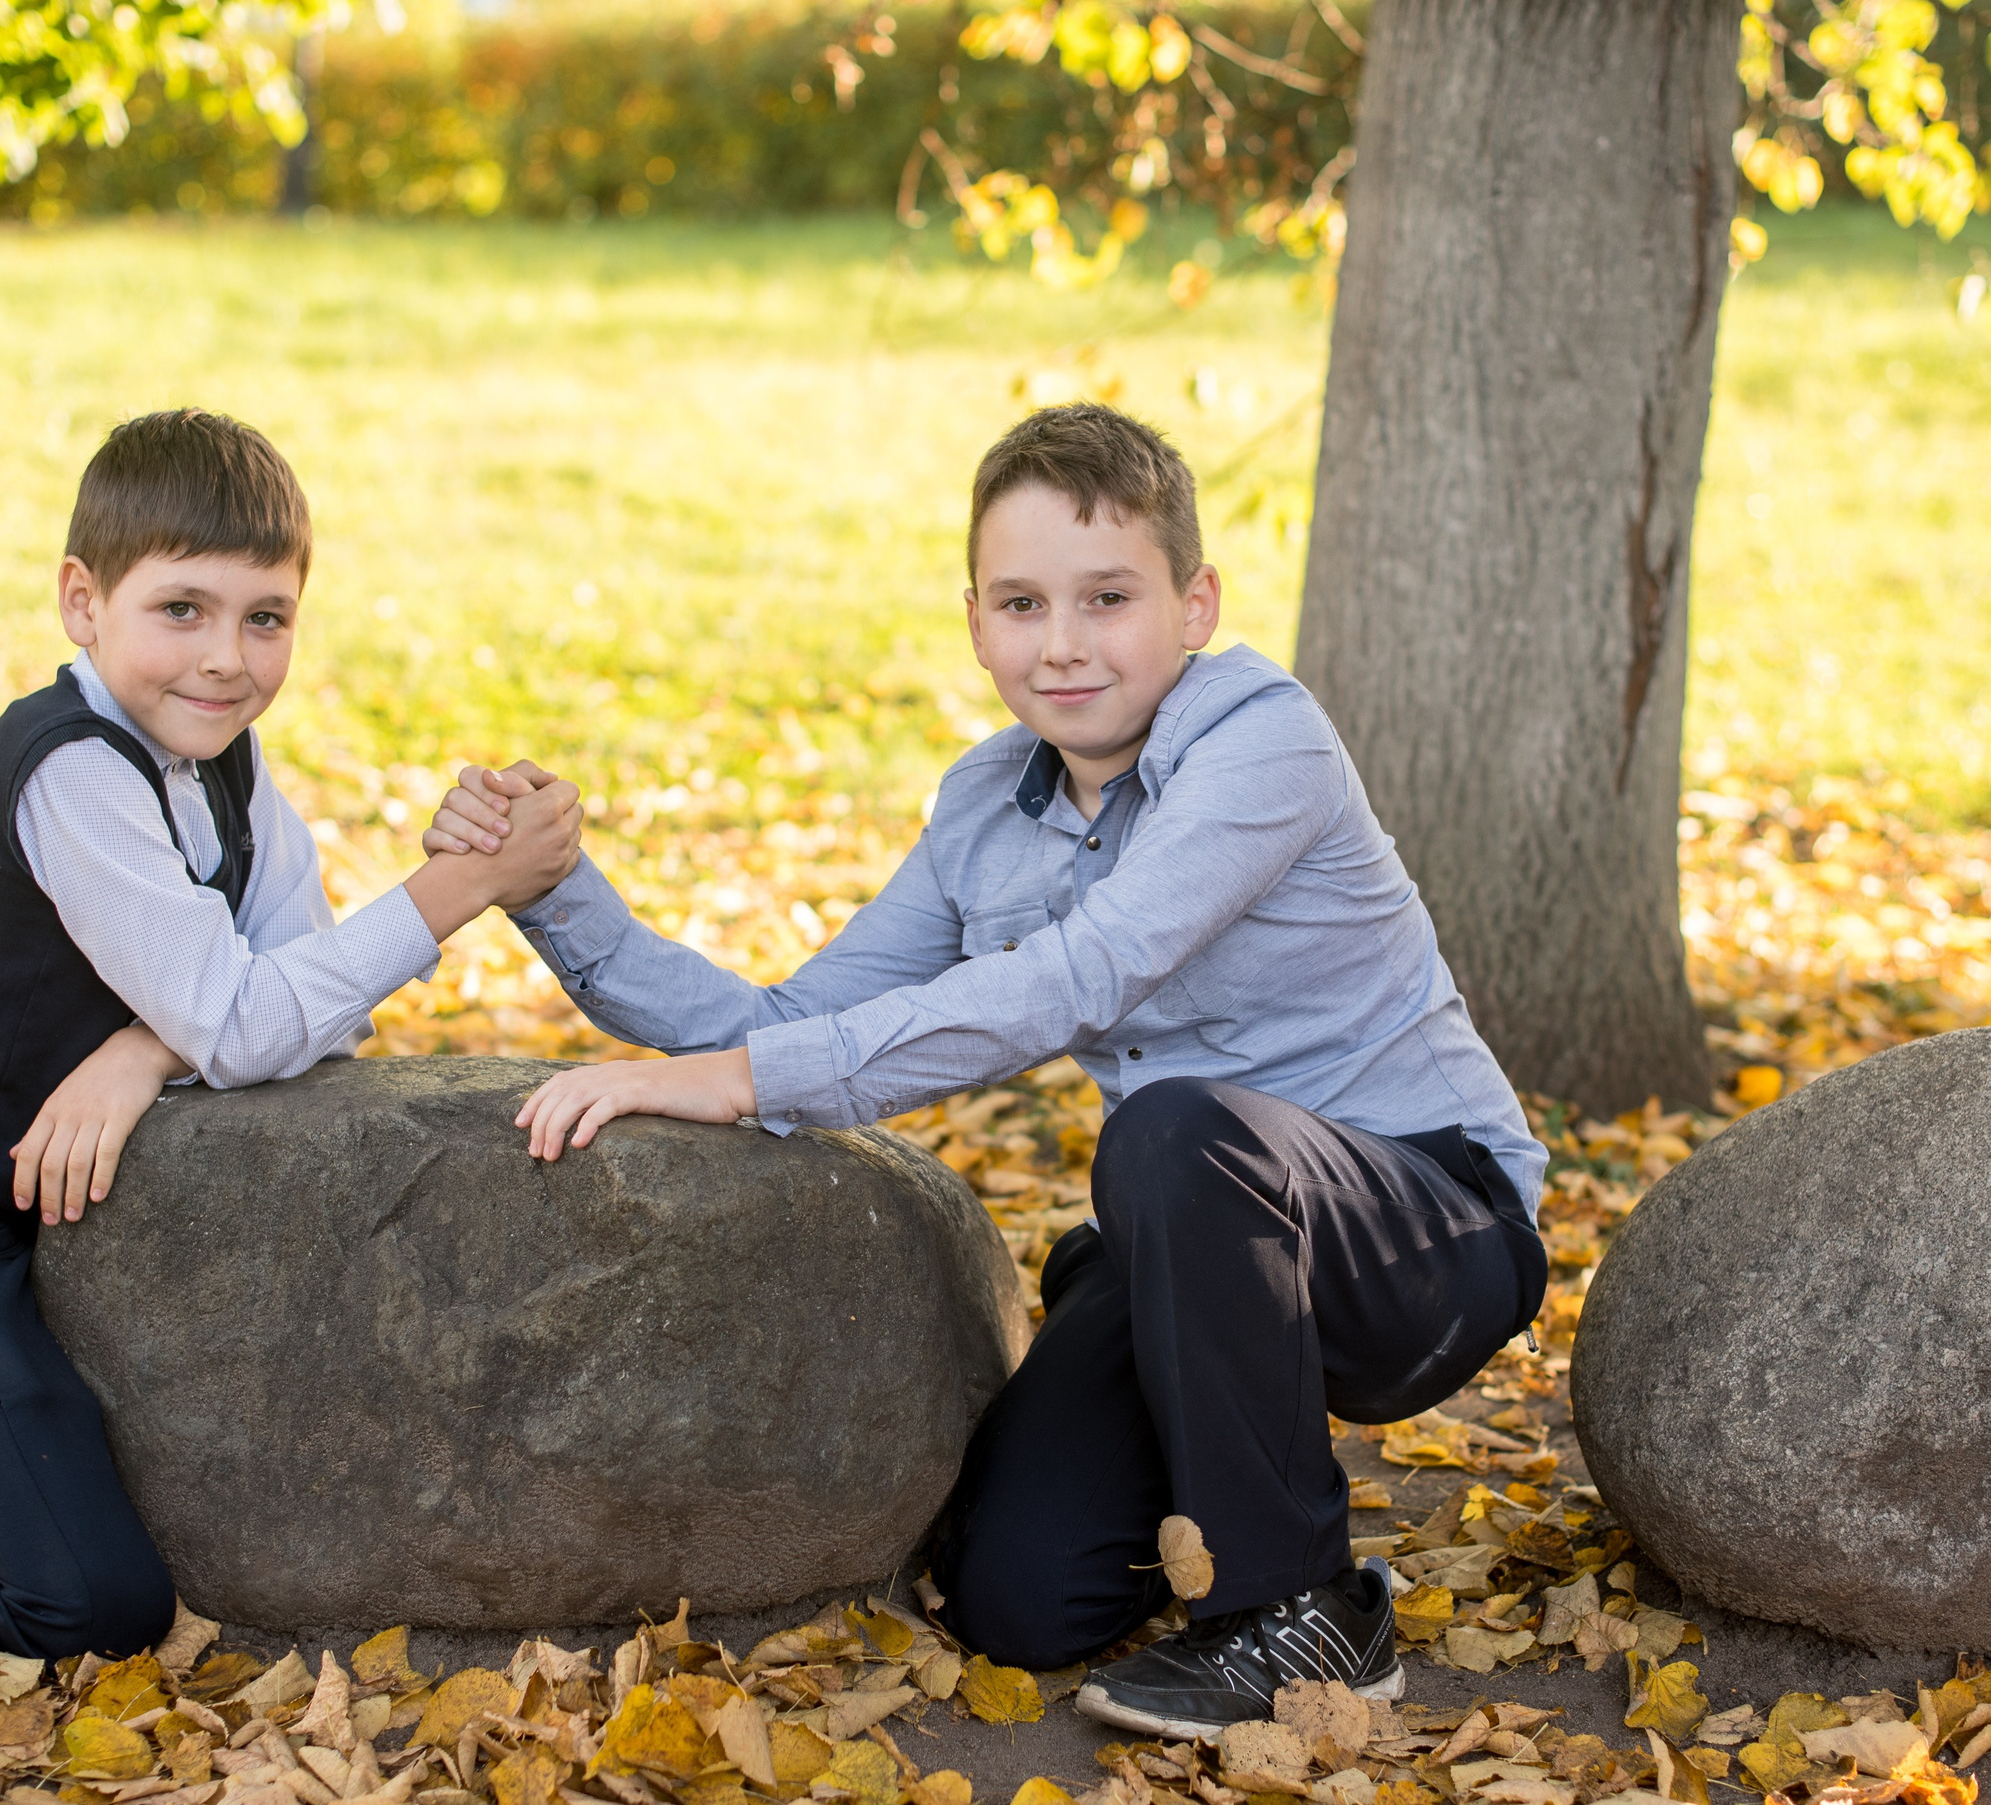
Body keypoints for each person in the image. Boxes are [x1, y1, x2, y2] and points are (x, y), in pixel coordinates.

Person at [422, 402, 1546, 1736]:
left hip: (1426, 1225)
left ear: (1196, 605)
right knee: (1019, 1591)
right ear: (976, 623)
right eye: (1022, 602)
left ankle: (1300, 1611)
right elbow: (784, 1013)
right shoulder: (984, 808)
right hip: (1199, 1240)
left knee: (1174, 1138)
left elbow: (1077, 976)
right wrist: (555, 891)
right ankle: (1192, 1396)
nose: (1062, 641)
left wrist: (741, 1079)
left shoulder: (1264, 740)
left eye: (1108, 597)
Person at [0, 409, 583, 1660]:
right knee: (89, 1607)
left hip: (76, 1233)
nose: (226, 659)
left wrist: (147, 1046)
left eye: (266, 618)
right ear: (82, 604)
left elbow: (319, 1009)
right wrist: (454, 887)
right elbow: (252, 1015)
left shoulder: (231, 769)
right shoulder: (71, 770)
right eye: (182, 610)